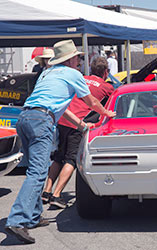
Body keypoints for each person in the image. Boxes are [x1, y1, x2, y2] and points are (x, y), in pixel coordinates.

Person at [4, 40, 116, 244]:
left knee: (36, 169)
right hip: (41, 121)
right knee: (38, 172)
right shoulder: (73, 74)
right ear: (71, 59)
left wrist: (82, 125)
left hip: (25, 118)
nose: (80, 60)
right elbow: (90, 101)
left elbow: (62, 108)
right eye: (78, 57)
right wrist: (106, 112)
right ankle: (18, 220)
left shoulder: (48, 73)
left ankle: (34, 215)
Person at [41, 56, 115, 209]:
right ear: (106, 72)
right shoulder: (106, 87)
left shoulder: (81, 78)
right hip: (78, 123)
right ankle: (57, 195)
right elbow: (113, 100)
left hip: (63, 118)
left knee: (58, 157)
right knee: (71, 159)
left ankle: (46, 192)